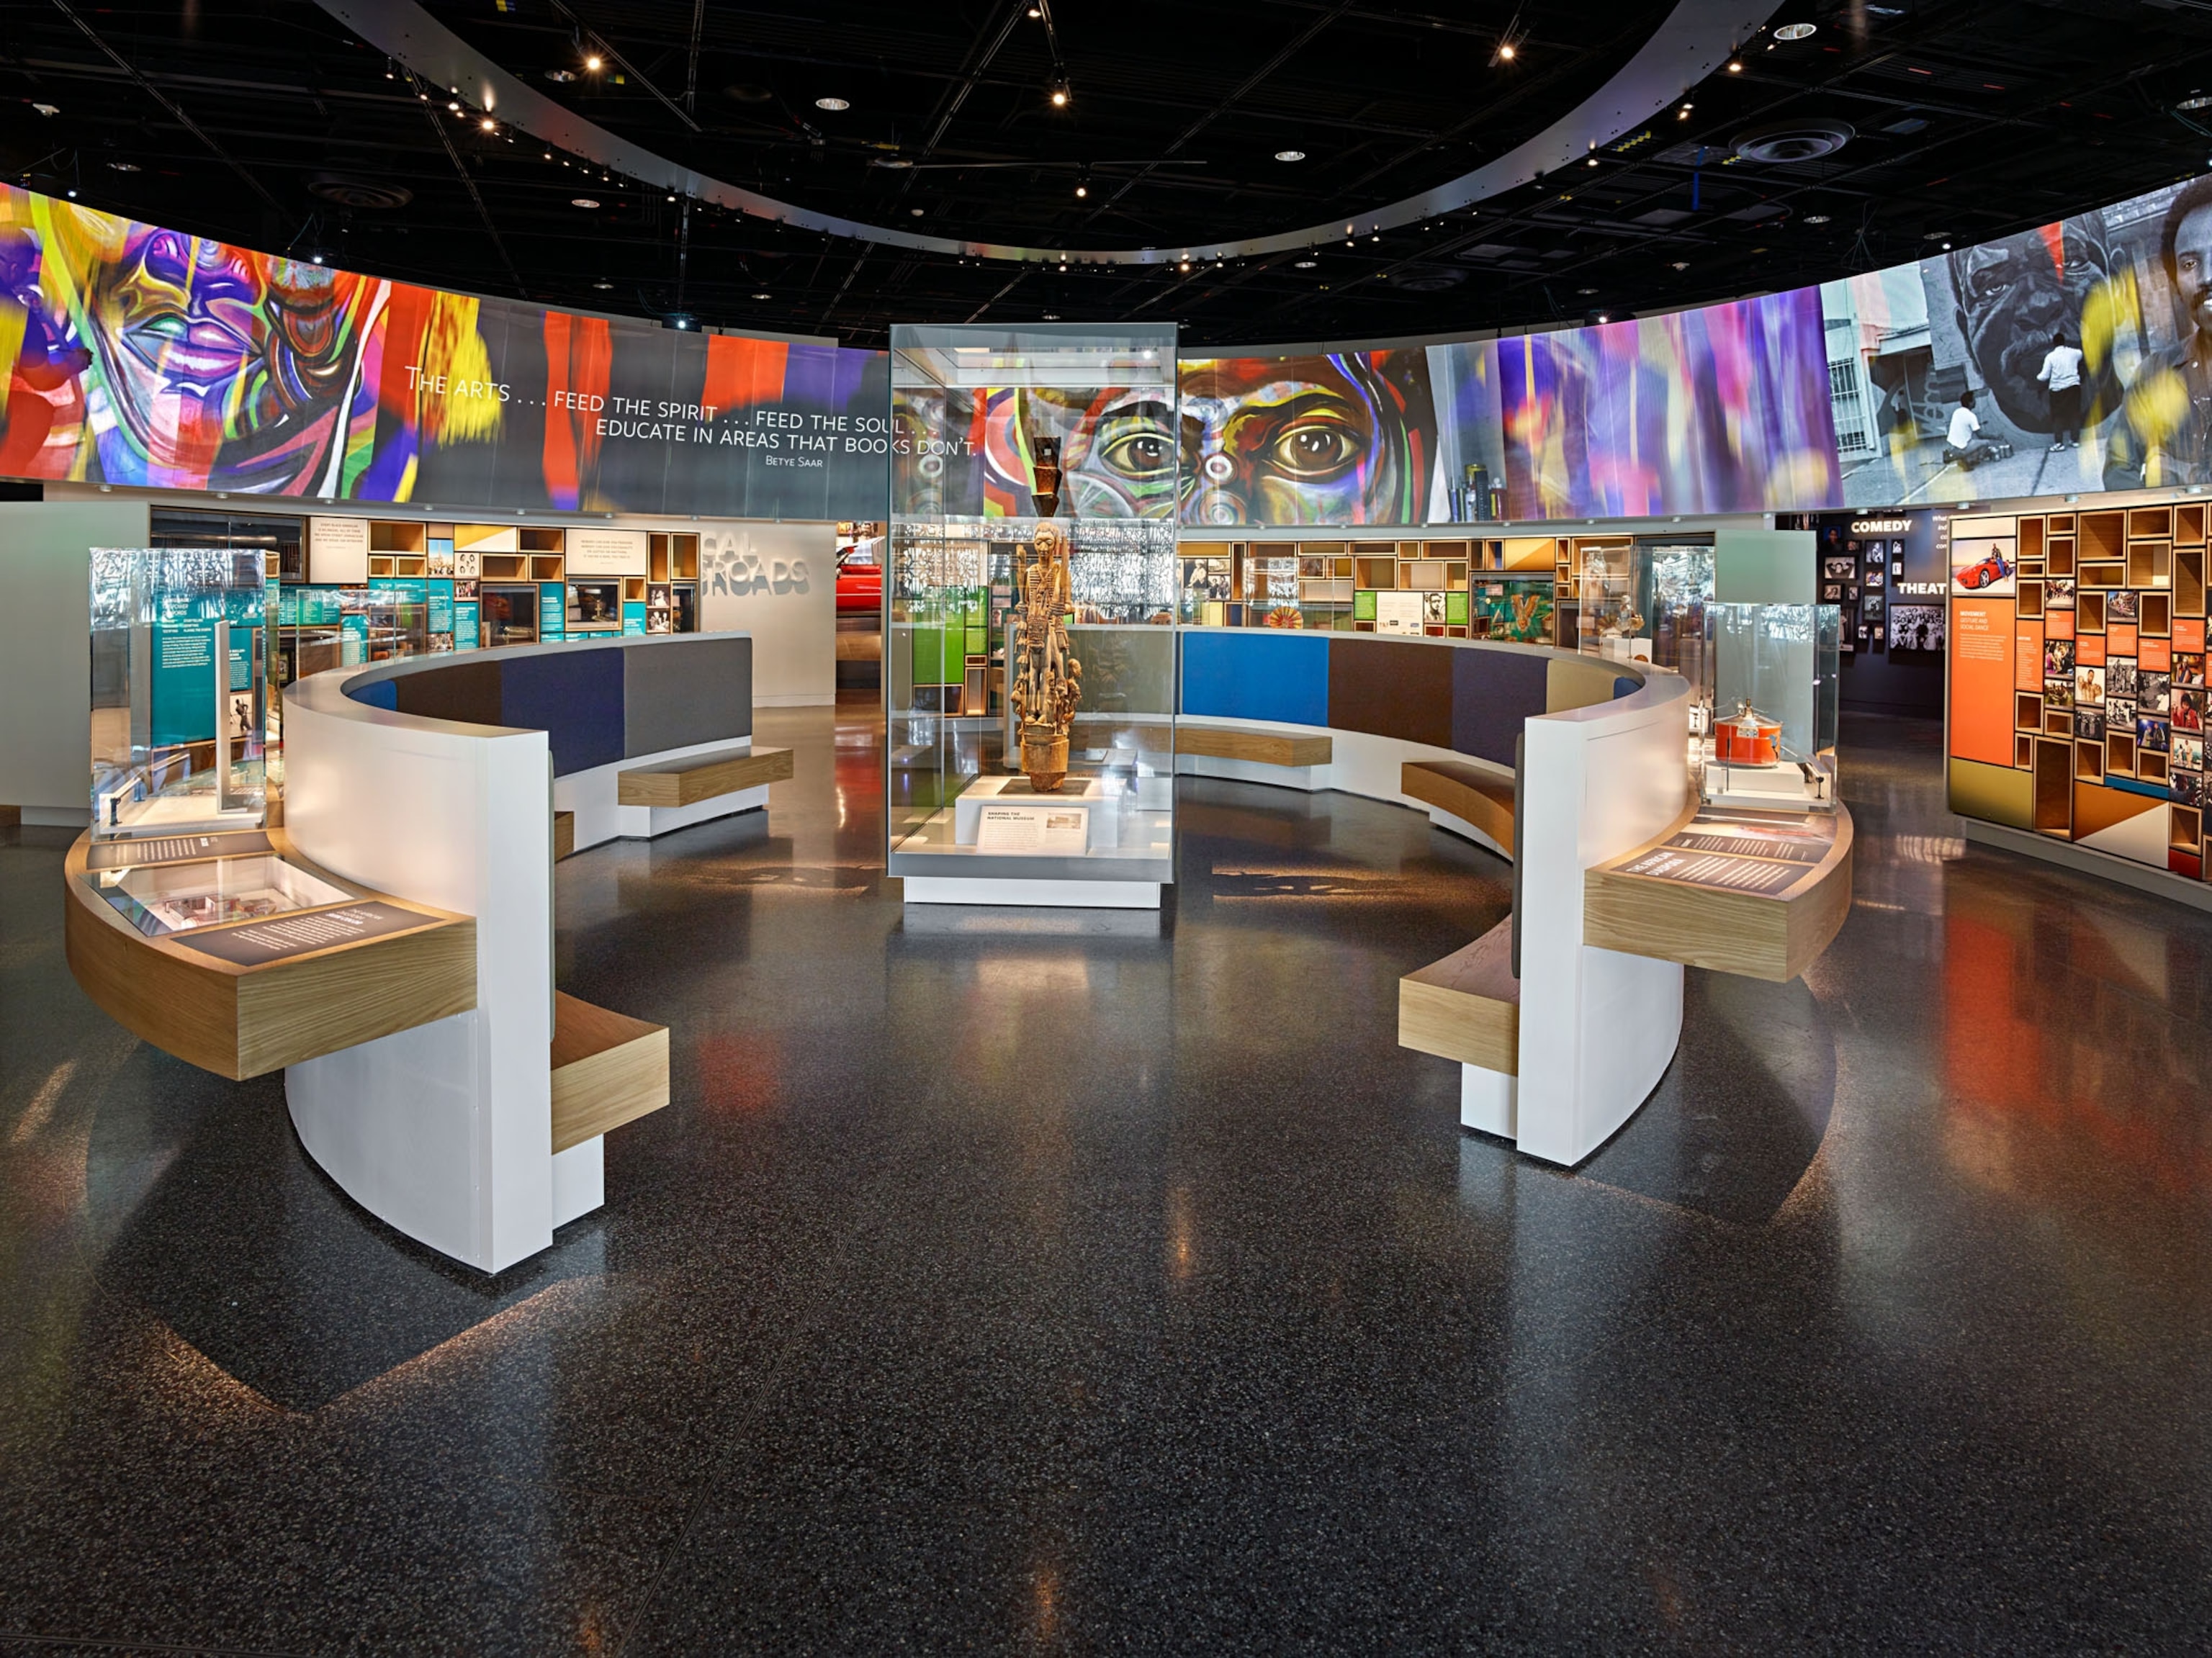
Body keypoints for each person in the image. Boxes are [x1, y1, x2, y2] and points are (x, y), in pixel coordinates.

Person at [2106, 175, 2212, 489]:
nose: (2207, 277)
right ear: (2176, 284)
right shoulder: (2154, 373)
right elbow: (2119, 469)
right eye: (2190, 264)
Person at [2036, 329, 2086, 451]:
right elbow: (2081, 354)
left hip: (2057, 391)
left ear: (2054, 344)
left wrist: (2037, 377)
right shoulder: (2074, 353)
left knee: (2058, 417)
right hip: (2074, 388)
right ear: (2064, 342)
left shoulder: (2050, 357)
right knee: (2074, 414)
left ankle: (2059, 444)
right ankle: (2075, 441)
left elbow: (2044, 376)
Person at [1946, 389, 2004, 469]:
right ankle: (1969, 461)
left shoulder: (1957, 412)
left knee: (1972, 442)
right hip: (1962, 449)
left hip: (1952, 449)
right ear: (1970, 403)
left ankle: (1965, 459)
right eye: (1974, 400)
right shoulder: (1971, 416)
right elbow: (1981, 435)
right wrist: (1996, 436)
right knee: (1986, 443)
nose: (1975, 402)